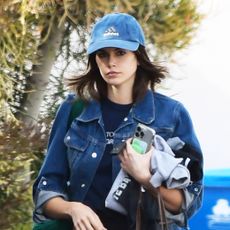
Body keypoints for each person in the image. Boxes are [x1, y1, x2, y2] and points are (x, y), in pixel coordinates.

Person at [33, 12, 203, 230]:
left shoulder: (172, 115)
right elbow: (47, 187)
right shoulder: (74, 109)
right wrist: (73, 208)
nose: (111, 63)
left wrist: (144, 177)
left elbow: (189, 203)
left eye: (121, 53)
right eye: (102, 54)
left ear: (138, 57)